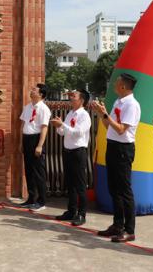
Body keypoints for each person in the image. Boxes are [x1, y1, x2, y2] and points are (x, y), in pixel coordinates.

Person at [91, 73, 141, 243]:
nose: (114, 85)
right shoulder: (118, 102)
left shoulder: (132, 105)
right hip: (112, 145)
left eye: (117, 83)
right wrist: (101, 114)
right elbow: (108, 125)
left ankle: (129, 229)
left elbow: (121, 129)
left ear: (124, 86)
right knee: (114, 189)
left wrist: (106, 115)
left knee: (124, 190)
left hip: (123, 148)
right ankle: (117, 225)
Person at [50, 89, 91, 226]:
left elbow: (78, 133)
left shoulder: (84, 115)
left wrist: (63, 125)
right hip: (68, 151)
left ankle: (81, 214)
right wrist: (58, 126)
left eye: (74, 96)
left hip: (78, 152)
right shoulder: (70, 113)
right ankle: (71, 211)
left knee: (80, 184)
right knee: (70, 184)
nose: (71, 98)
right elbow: (63, 132)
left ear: (81, 100)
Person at [18, 83, 51, 211]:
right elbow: (23, 125)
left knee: (38, 172)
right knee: (29, 170)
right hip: (27, 139)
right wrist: (21, 142)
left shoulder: (44, 109)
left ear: (41, 94)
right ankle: (31, 198)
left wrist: (40, 145)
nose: (31, 91)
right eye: (31, 89)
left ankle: (41, 201)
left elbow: (44, 128)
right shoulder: (27, 107)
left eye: (34, 90)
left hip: (36, 139)